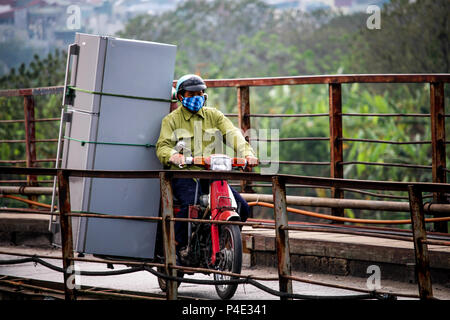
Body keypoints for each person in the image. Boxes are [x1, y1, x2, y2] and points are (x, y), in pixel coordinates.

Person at [156, 74, 258, 255]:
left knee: (242, 206)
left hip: (211, 174)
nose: (198, 96)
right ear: (181, 97)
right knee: (190, 205)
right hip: (185, 175)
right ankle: (179, 247)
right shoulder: (171, 120)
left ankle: (221, 240)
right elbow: (162, 147)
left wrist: (248, 154)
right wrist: (174, 156)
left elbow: (233, 134)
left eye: (201, 93)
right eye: (192, 93)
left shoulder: (214, 116)